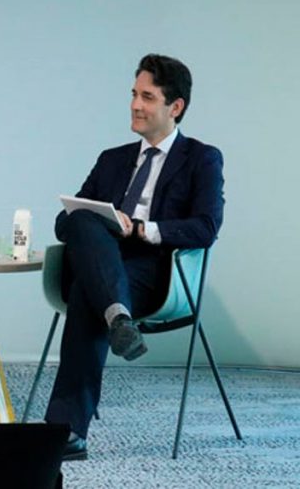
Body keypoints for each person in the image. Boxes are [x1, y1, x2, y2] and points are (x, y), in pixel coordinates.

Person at [45, 54, 224, 460]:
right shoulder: (112, 158)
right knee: (84, 220)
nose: (135, 105)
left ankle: (65, 430)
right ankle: (118, 320)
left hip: (154, 272)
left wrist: (143, 229)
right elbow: (64, 223)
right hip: (102, 259)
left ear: (174, 107)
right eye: (133, 94)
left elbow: (207, 226)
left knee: (86, 293)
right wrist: (105, 221)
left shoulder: (202, 158)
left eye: (147, 96)